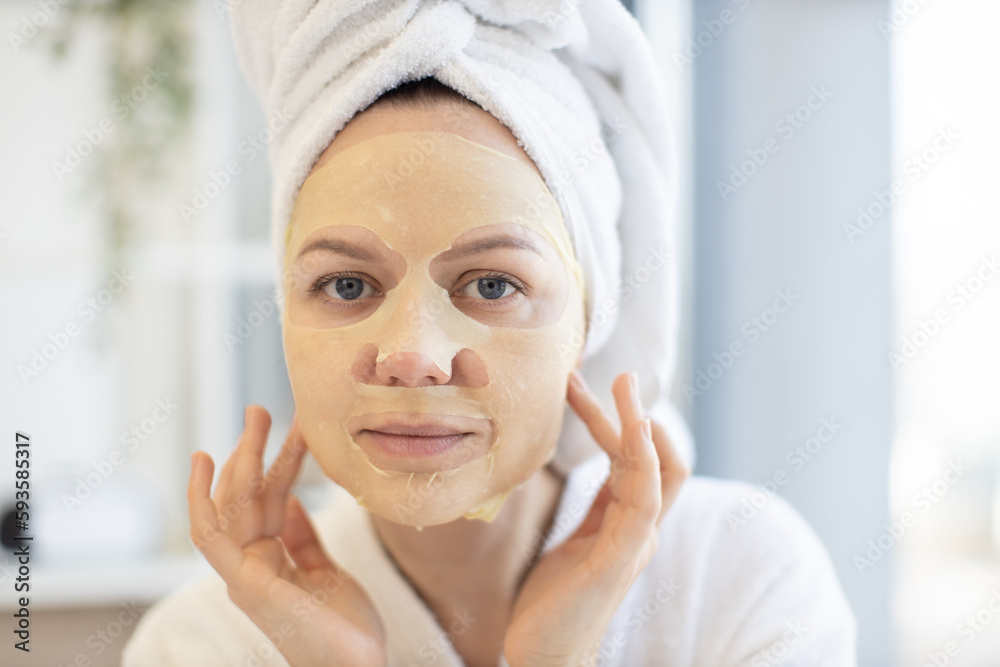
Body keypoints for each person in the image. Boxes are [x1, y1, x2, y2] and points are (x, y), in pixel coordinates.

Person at [123, 2, 857, 666]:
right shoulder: (199, 644)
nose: (411, 356)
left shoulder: (743, 581)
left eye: (493, 284)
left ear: (589, 319)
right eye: (347, 285)